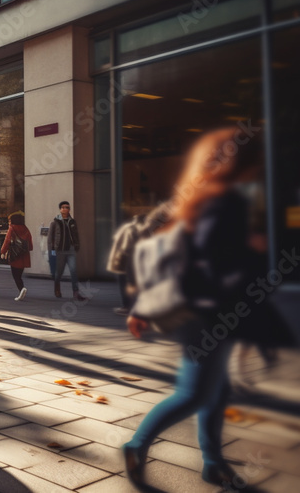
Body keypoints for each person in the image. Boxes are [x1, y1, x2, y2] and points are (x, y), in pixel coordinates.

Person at [121, 128, 299, 490]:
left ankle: (213, 462)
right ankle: (136, 446)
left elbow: (172, 256)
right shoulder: (225, 201)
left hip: (208, 313)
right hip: (209, 315)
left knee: (215, 392)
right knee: (196, 393)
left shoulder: (201, 197)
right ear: (249, 164)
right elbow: (210, 265)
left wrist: (141, 307)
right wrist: (252, 251)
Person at [47, 200, 88, 300]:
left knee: (74, 270)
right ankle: (57, 288)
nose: (66, 209)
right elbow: (50, 238)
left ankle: (76, 292)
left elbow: (76, 235)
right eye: (64, 207)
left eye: (68, 207)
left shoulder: (72, 222)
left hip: (71, 249)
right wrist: (51, 251)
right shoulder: (55, 222)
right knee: (58, 272)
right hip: (60, 250)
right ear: (60, 209)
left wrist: (77, 245)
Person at [0, 213, 33, 301]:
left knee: (16, 276)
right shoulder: (25, 228)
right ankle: (21, 289)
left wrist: (3, 251)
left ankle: (21, 289)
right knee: (19, 275)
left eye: (10, 221)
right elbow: (30, 241)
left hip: (15, 255)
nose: (9, 222)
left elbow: (7, 240)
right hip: (24, 255)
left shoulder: (12, 228)